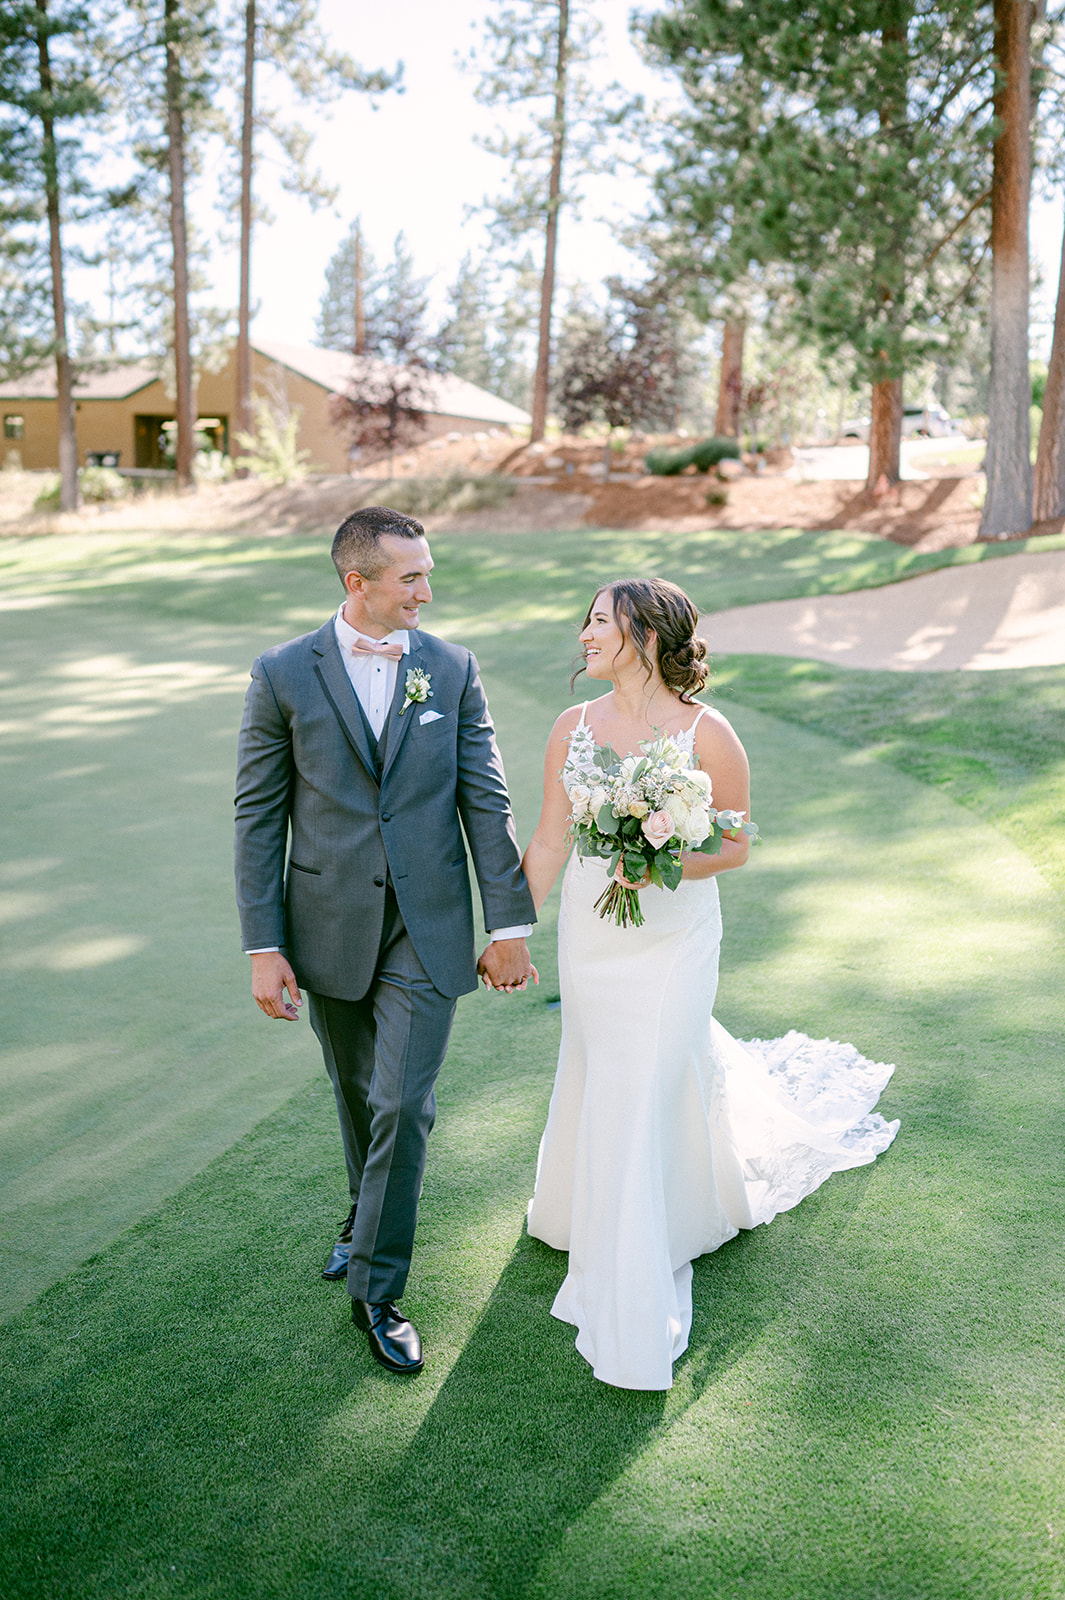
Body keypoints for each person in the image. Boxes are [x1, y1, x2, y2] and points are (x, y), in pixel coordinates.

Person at [521, 578, 898, 1390]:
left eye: (598, 622)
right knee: (600, 1068)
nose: (583, 634)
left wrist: (656, 865)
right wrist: (509, 929)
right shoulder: (570, 727)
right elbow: (550, 841)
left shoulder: (709, 733)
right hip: (591, 938)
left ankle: (638, 1247)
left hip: (673, 940)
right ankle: (584, 1207)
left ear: (647, 637)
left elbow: (733, 847)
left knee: (648, 1075)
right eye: (583, 619)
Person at [234, 505, 536, 1375]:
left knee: (403, 1101)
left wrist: (507, 922)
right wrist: (264, 945)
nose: (427, 592)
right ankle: (362, 1222)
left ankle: (376, 1286)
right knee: (359, 1093)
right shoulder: (283, 673)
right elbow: (259, 819)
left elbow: (486, 798)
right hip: (324, 925)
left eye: (428, 573)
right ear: (355, 581)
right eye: (410, 578)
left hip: (428, 924)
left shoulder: (450, 666)